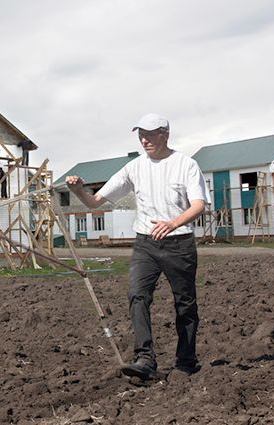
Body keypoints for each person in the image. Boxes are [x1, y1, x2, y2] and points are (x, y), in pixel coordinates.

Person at [66, 113, 208, 380]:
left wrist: (174, 223)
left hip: (179, 243)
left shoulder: (185, 164)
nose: (145, 139)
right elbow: (95, 202)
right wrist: (78, 191)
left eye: (151, 133)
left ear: (165, 134)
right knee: (137, 294)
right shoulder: (134, 167)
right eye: (141, 134)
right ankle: (145, 358)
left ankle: (186, 361)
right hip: (146, 243)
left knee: (185, 304)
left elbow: (199, 204)